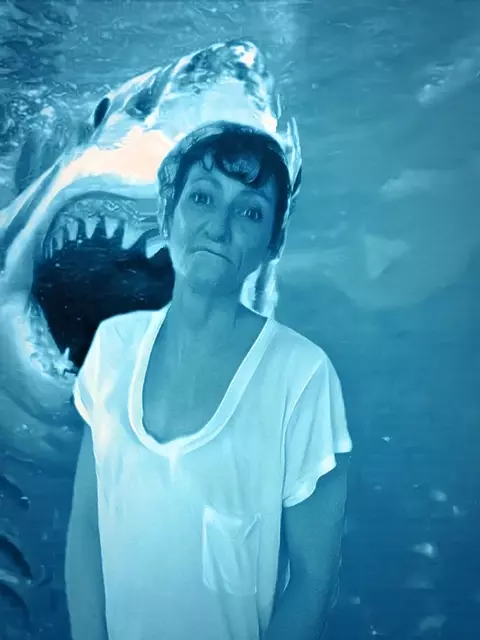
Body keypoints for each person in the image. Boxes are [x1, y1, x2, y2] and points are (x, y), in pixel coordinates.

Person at [65, 40, 353, 640]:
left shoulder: (303, 376)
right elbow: (86, 535)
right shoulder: (112, 348)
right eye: (201, 198)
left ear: (273, 244)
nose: (218, 227)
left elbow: (314, 579)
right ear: (167, 212)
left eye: (249, 212)